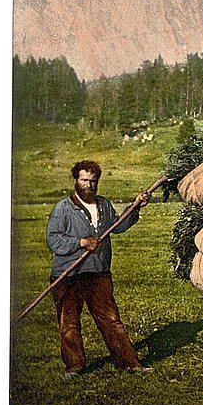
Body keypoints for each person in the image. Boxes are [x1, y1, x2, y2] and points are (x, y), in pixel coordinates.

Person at [46, 160, 153, 378]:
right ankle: (74, 366)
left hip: (98, 273)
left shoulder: (103, 205)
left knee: (111, 320)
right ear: (76, 180)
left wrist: (134, 208)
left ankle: (129, 363)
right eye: (85, 180)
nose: (89, 185)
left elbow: (118, 225)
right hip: (68, 275)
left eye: (93, 181)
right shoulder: (63, 208)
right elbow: (53, 239)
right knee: (69, 323)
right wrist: (81, 243)